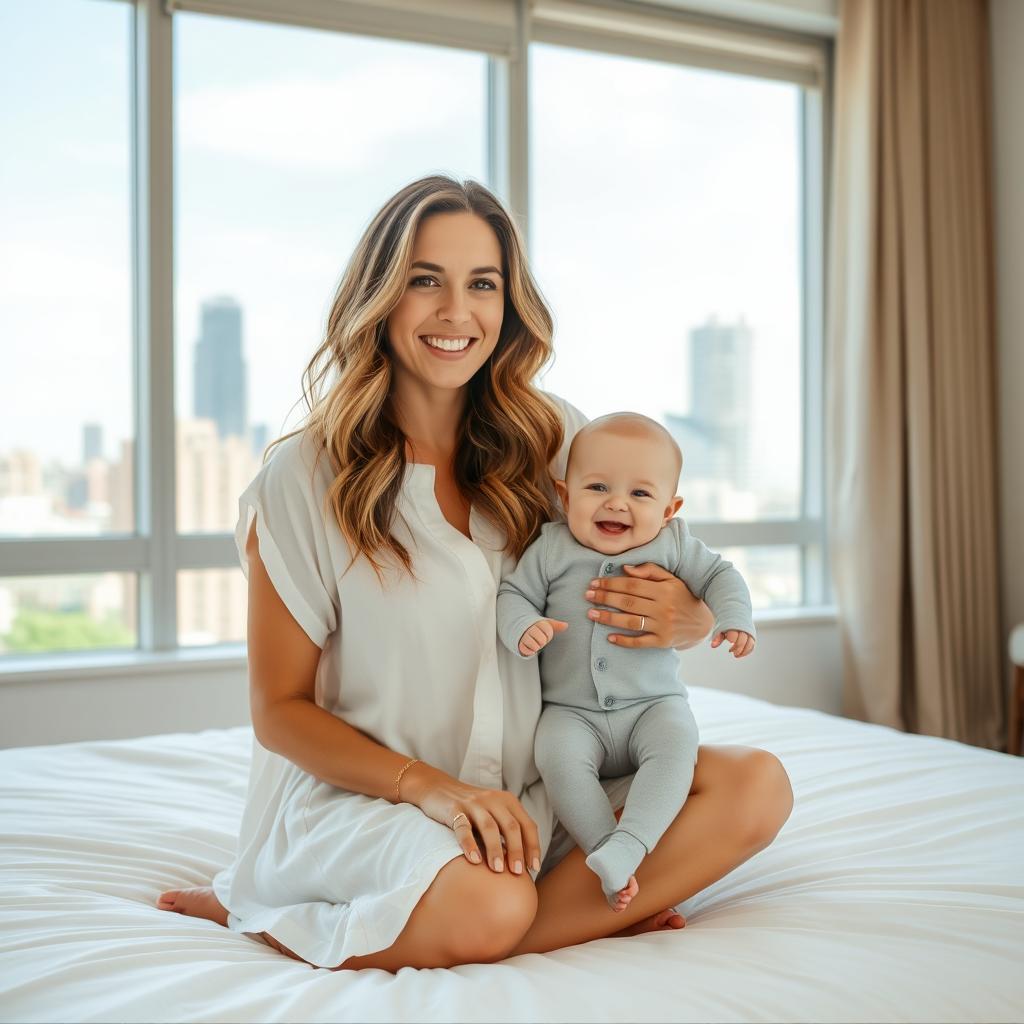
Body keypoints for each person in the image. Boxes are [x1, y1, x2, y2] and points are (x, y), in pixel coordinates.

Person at [156, 175, 793, 972]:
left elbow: (669, 559)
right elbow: (279, 710)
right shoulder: (304, 477)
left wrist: (693, 619)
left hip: (542, 792)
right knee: (492, 900)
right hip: (374, 800)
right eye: (426, 281)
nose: (457, 312)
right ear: (380, 297)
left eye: (482, 284)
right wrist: (431, 788)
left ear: (508, 304)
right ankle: (269, 912)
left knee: (755, 786)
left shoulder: (557, 436)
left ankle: (557, 912)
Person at [497, 412, 756, 911]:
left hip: (652, 706)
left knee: (677, 748)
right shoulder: (551, 549)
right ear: (566, 495)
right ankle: (602, 850)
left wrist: (735, 618)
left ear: (668, 508)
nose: (617, 502)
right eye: (597, 487)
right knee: (555, 755)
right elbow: (513, 594)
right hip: (572, 711)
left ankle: (632, 843)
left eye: (640, 494)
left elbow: (722, 577)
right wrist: (522, 627)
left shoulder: (674, 544)